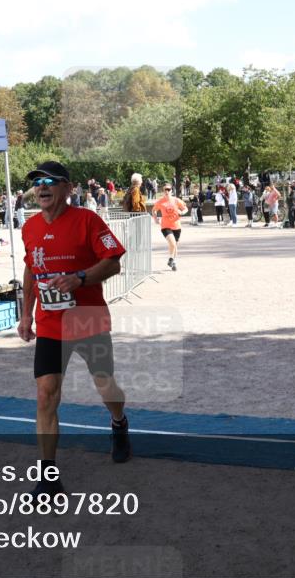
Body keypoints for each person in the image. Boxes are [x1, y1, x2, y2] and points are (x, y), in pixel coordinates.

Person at [18, 161, 130, 497]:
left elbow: (113, 262)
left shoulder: (87, 220)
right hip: (51, 325)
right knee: (45, 394)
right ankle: (48, 477)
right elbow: (30, 273)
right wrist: (26, 315)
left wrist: (79, 278)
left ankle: (119, 423)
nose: (42, 187)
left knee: (104, 385)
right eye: (37, 182)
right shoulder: (30, 227)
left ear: (69, 188)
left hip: (88, 319)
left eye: (51, 182)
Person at [153, 183, 188, 271]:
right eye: (165, 189)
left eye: (168, 189)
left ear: (171, 191)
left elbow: (185, 208)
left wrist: (182, 213)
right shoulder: (160, 201)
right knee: (172, 243)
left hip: (176, 226)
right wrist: (155, 219)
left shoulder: (176, 200)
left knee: (174, 245)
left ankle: (173, 261)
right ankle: (171, 259)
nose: (167, 191)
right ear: (163, 191)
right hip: (165, 226)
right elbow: (154, 210)